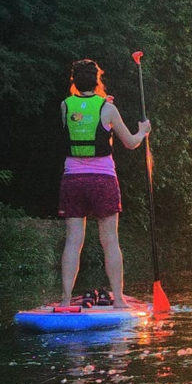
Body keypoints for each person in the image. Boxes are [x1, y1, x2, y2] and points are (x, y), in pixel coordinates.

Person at [58, 59, 150, 308]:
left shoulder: (65, 106)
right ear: (98, 80)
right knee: (109, 241)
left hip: (73, 180)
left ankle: (66, 299)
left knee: (73, 241)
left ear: (74, 81)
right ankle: (119, 301)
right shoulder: (108, 109)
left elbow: (82, 109)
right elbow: (130, 143)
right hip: (102, 180)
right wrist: (143, 131)